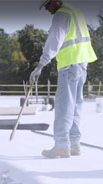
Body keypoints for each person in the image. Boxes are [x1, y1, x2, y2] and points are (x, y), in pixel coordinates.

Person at [29, 0, 97, 158]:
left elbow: (54, 41)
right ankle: (74, 144)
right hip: (81, 65)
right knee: (75, 106)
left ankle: (61, 146)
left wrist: (40, 65)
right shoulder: (76, 12)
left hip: (69, 66)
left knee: (64, 106)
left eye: (47, 5)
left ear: (56, 1)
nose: (47, 9)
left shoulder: (61, 15)